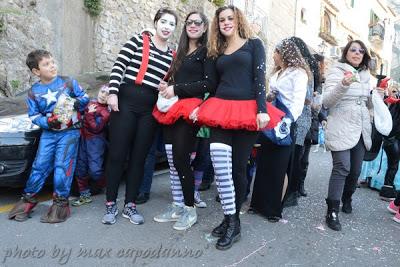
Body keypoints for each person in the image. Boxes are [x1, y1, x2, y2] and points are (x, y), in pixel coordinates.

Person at [194, 5, 282, 250]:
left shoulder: (254, 45)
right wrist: (199, 105)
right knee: (221, 167)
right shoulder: (216, 49)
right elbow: (211, 84)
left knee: (237, 170)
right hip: (221, 109)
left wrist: (263, 110)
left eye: (230, 18)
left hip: (247, 110)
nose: (226, 22)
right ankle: (230, 218)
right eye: (221, 19)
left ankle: (232, 221)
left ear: (238, 20)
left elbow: (259, 80)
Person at [103, 8, 178, 225]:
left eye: (171, 24)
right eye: (163, 22)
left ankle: (130, 204)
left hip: (149, 107)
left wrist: (168, 86)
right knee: (117, 154)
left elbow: (170, 85)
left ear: (174, 29)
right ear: (155, 23)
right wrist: (113, 93)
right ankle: (110, 204)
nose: (166, 27)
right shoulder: (137, 41)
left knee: (140, 157)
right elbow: (119, 66)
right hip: (126, 100)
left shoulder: (172, 56)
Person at [152, 11, 216, 231]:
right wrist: (167, 86)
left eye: (198, 22)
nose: (193, 25)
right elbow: (175, 80)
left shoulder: (207, 52)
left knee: (180, 159)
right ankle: (177, 205)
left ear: (205, 27)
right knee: (172, 160)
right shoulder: (180, 52)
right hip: (172, 108)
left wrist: (176, 88)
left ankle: (190, 209)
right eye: (189, 22)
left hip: (189, 109)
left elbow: (209, 84)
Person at [8, 49, 89, 223]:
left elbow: (85, 98)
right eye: (46, 64)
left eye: (52, 62)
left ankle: (60, 204)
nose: (52, 66)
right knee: (39, 166)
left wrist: (75, 102)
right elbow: (34, 115)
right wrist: (47, 122)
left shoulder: (68, 82)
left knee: (62, 166)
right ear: (36, 71)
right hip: (48, 133)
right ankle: (28, 199)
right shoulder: (33, 92)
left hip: (70, 132)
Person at [250, 38, 310, 222]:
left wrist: (288, 121)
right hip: (271, 118)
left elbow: (298, 101)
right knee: (264, 164)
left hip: (285, 121)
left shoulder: (299, 73)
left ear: (283, 53)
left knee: (279, 166)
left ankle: (274, 208)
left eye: (275, 51)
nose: (273, 55)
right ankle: (258, 204)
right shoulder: (278, 72)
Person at [322, 40, 374, 231]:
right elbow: (326, 101)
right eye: (353, 50)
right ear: (346, 52)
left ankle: (347, 197)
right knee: (342, 167)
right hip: (341, 125)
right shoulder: (337, 71)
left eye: (361, 51)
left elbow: (367, 102)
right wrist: (343, 84)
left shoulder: (366, 75)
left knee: (355, 171)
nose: (357, 53)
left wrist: (373, 104)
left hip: (361, 128)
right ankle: (332, 210)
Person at [283, 37, 319, 207]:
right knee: (294, 157)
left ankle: (291, 193)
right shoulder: (297, 68)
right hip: (298, 117)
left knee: (295, 157)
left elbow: (307, 98)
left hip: (300, 117)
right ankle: (290, 191)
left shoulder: (304, 70)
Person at [72, 85, 110, 206]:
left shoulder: (106, 112)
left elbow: (96, 128)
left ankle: (105, 184)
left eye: (107, 94)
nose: (103, 95)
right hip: (83, 138)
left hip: (95, 141)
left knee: (95, 170)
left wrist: (88, 114)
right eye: (102, 91)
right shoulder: (91, 103)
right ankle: (84, 194)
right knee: (80, 167)